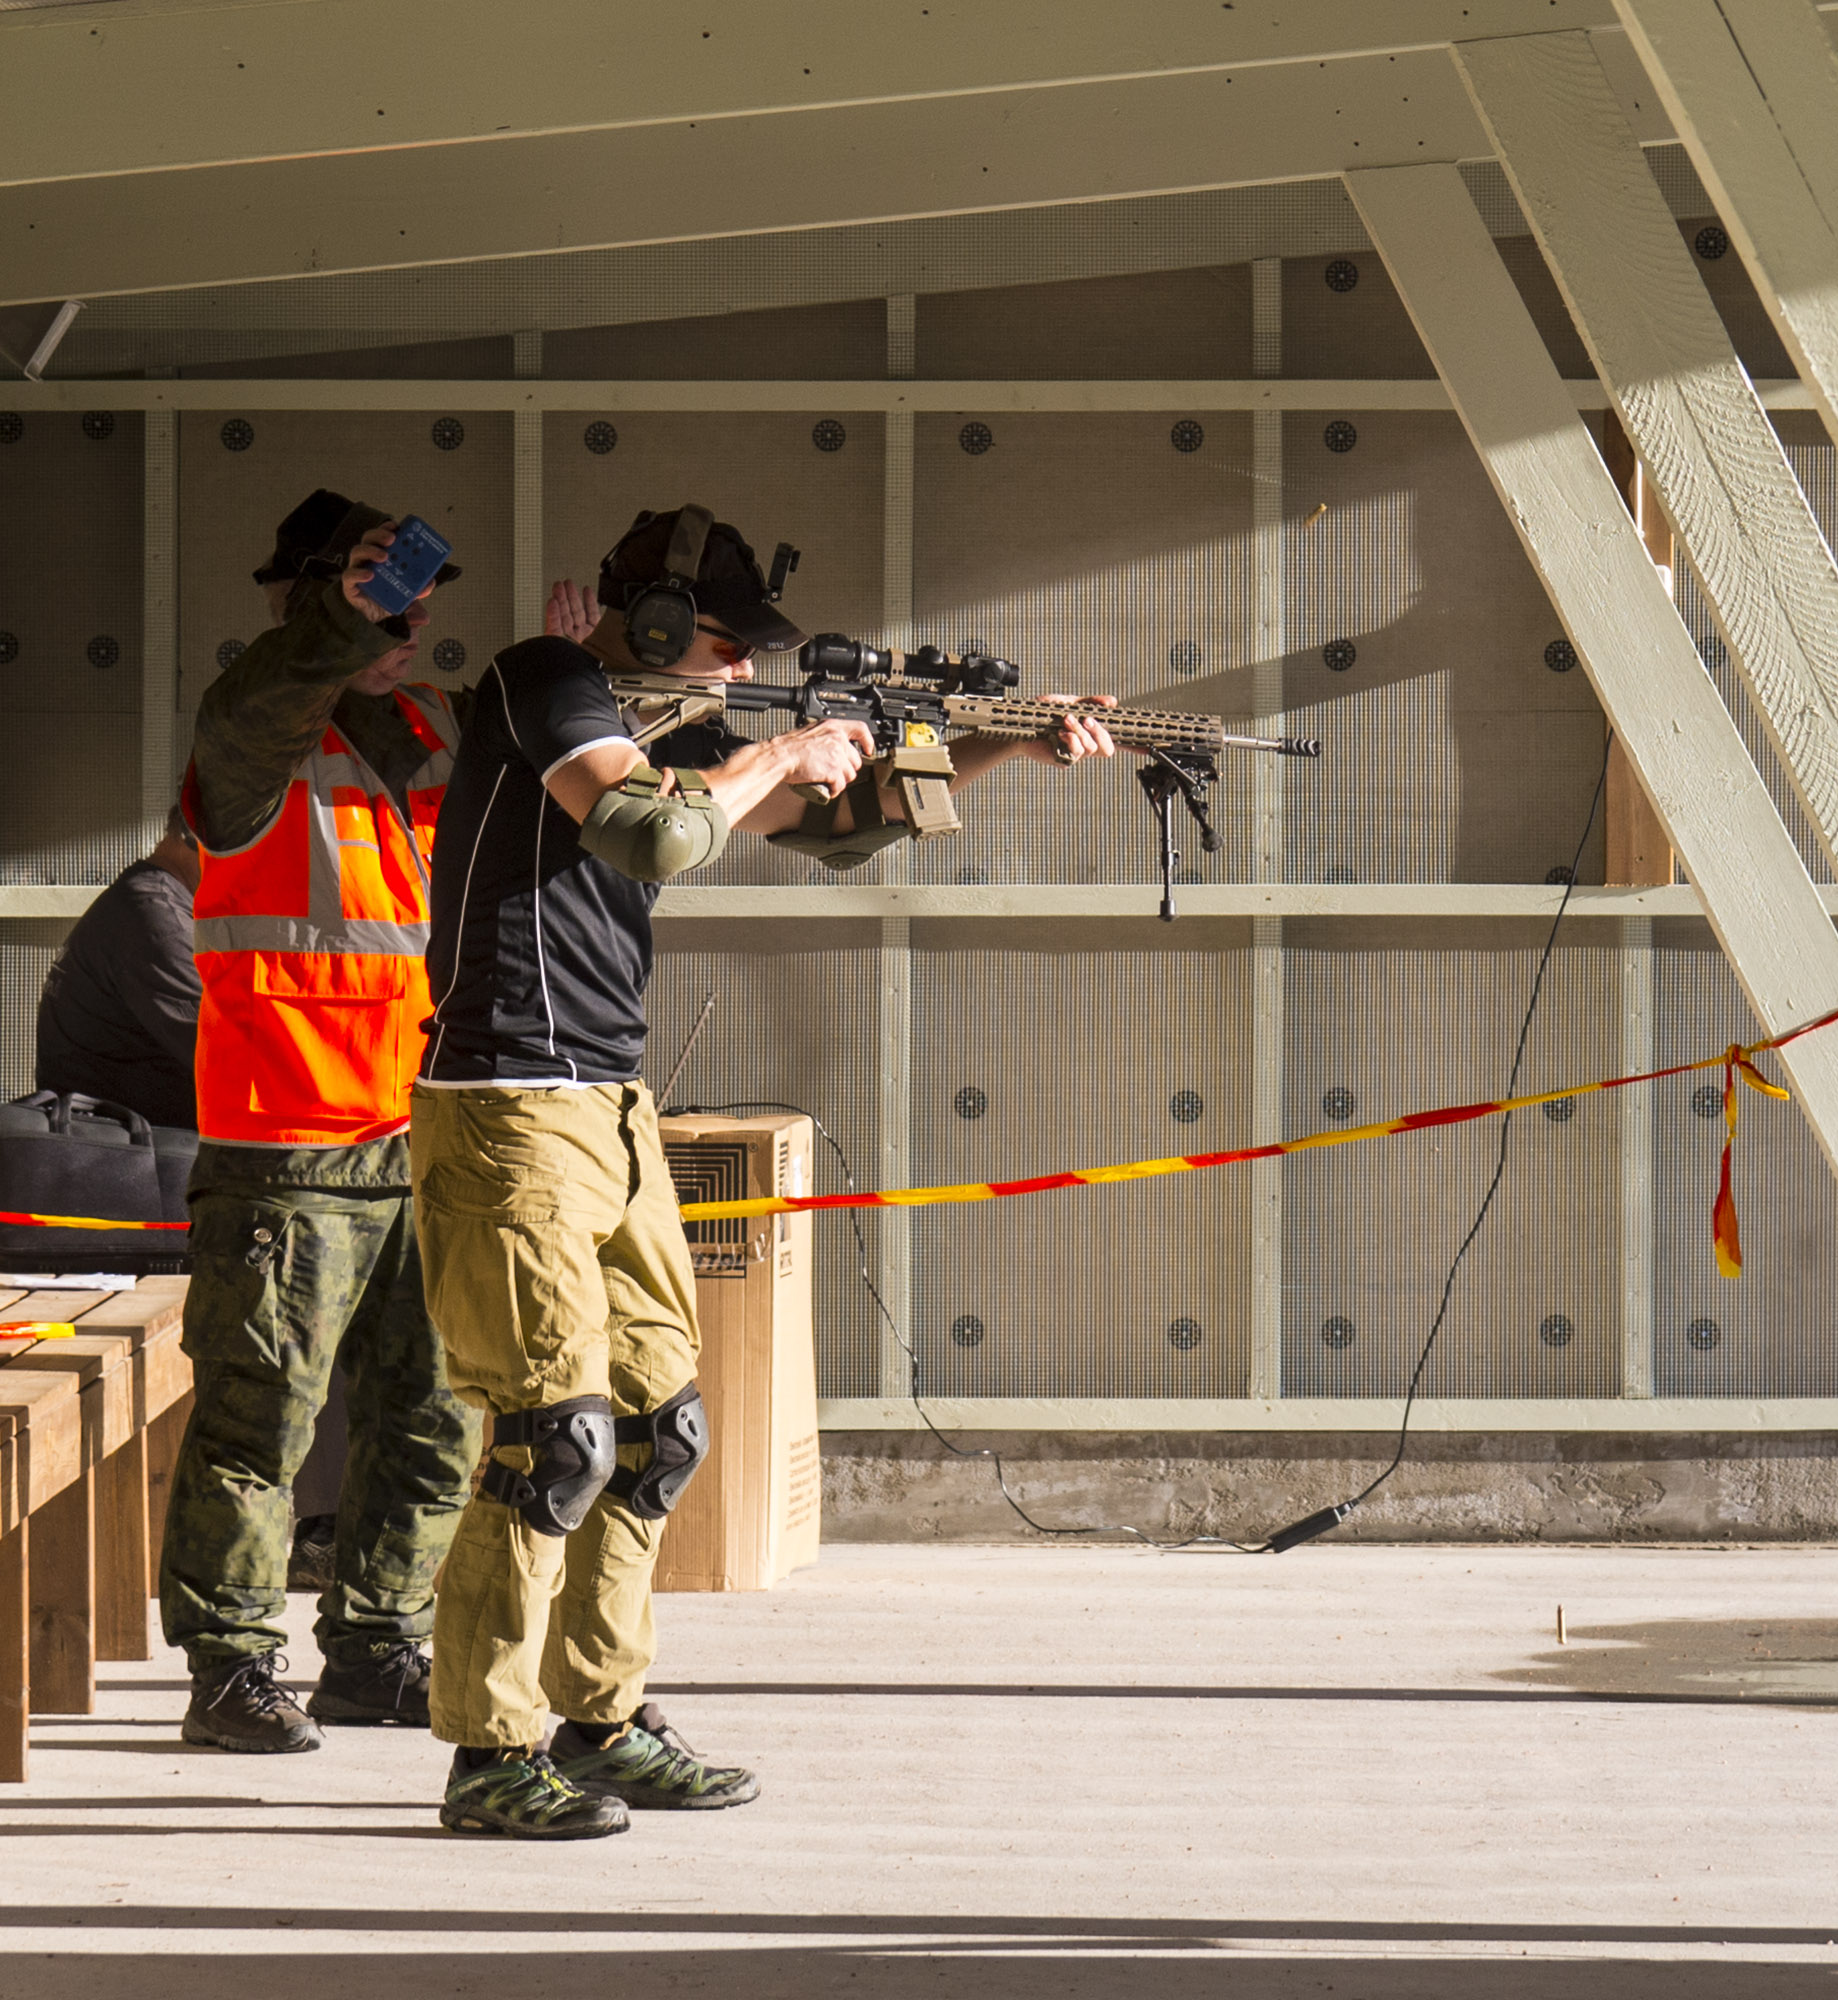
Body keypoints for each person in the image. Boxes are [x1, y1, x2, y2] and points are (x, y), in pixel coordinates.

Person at [412, 504, 1117, 1838]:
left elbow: (841, 828)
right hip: (508, 1105)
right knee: (550, 1439)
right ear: (657, 622)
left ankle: (599, 1719)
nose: (742, 671)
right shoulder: (546, 681)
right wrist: (778, 750)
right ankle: (489, 1753)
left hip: (609, 1107)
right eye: (727, 645)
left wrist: (1004, 742)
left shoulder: (675, 732)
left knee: (654, 1432)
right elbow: (650, 832)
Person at [159, 490, 485, 1754]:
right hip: (286, 1143)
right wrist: (337, 622)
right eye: (373, 603)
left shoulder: (430, 729)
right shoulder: (252, 731)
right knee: (260, 1423)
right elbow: (267, 696)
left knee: (436, 1414)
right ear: (305, 600)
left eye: (409, 606)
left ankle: (377, 1648)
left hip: (422, 1133)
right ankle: (230, 1668)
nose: (403, 626)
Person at [35, 807, 202, 1131]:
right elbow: (236, 1059)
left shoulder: (145, 900)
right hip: (128, 1150)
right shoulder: (156, 921)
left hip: (126, 1142)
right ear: (196, 836)